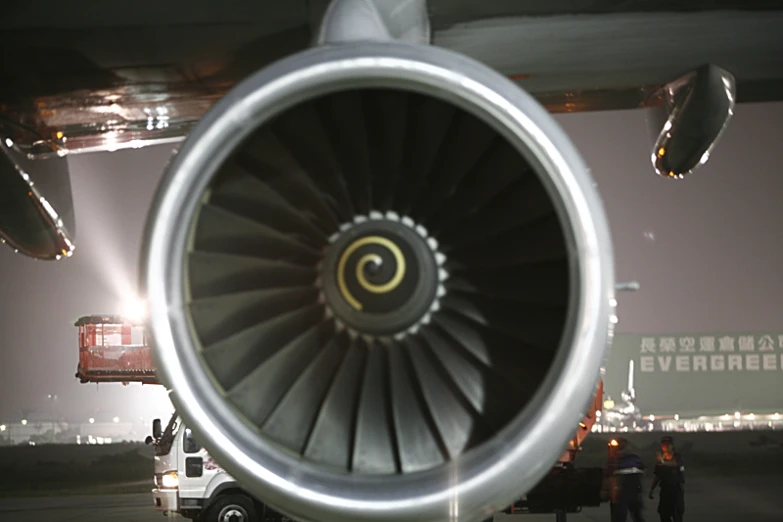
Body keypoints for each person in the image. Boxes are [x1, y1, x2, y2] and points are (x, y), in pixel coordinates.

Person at [608, 437, 646, 522]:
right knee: (634, 515)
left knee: (625, 515)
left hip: (626, 490)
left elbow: (611, 470)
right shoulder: (633, 458)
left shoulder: (620, 459)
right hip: (629, 490)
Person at [649, 436, 685, 522]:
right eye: (664, 444)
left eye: (668, 444)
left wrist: (664, 462)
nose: (665, 446)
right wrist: (652, 489)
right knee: (664, 514)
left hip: (676, 490)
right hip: (665, 490)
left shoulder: (677, 456)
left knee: (677, 514)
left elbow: (676, 464)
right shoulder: (660, 460)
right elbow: (657, 475)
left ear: (672, 445)